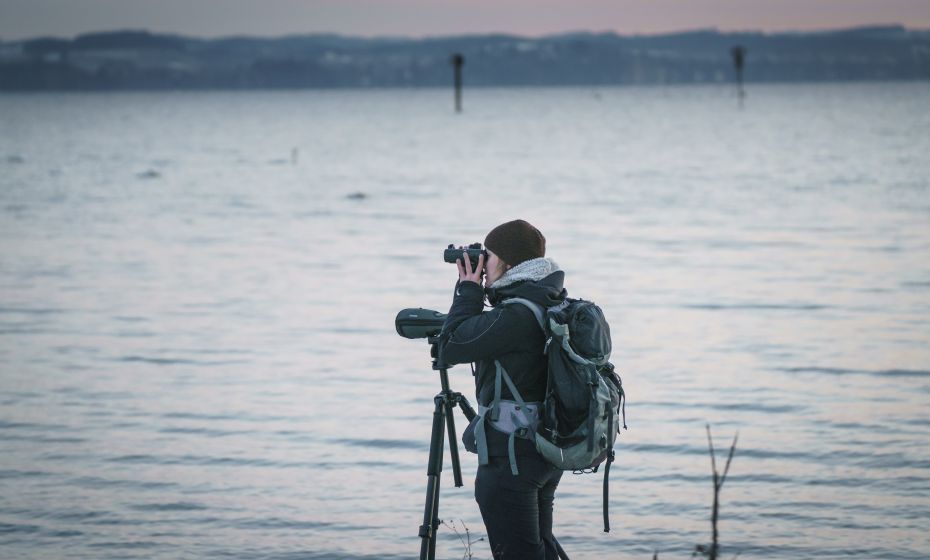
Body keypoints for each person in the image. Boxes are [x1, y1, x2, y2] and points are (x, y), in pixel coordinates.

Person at [440, 219, 568, 559]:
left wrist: (468, 289)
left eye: (489, 256)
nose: (483, 264)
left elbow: (450, 345)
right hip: (540, 449)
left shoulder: (515, 315)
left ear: (508, 264)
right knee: (539, 549)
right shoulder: (547, 299)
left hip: (511, 458)